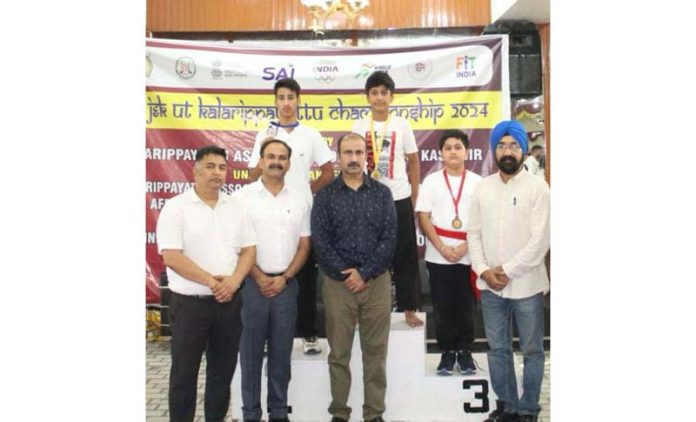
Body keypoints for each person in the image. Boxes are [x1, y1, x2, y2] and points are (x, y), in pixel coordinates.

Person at [156, 146, 256, 422]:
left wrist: (234, 282)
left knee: (221, 376)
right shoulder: (176, 208)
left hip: (229, 304)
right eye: (210, 166)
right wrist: (212, 281)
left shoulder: (236, 207)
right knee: (183, 377)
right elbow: (172, 256)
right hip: (190, 305)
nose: (217, 173)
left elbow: (249, 250)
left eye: (222, 167)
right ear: (196, 170)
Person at [467, 120, 550, 422]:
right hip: (491, 287)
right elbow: (473, 234)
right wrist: (484, 271)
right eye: (501, 145)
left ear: (523, 149)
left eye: (514, 145)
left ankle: (528, 409)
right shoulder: (482, 188)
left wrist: (507, 270)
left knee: (531, 351)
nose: (507, 151)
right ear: (494, 150)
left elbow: (540, 240)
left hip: (527, 284)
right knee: (498, 349)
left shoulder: (538, 188)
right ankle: (507, 406)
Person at [311, 132, 397, 422]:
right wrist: (347, 275)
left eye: (359, 153)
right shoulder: (324, 197)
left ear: (366, 156)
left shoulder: (383, 193)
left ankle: (374, 414)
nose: (354, 158)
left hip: (377, 283)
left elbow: (389, 239)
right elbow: (320, 242)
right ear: (338, 157)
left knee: (375, 354)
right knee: (339, 354)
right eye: (348, 153)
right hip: (338, 285)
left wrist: (365, 273)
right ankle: (339, 413)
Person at [248, 78, 334, 354]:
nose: (286, 103)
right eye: (281, 97)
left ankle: (309, 334)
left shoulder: (310, 134)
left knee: (306, 276)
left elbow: (329, 173)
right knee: (265, 268)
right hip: (267, 214)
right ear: (275, 102)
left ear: (299, 101)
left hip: (302, 215)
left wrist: (303, 192)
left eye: (291, 97)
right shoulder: (265, 133)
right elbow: (252, 174)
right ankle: (262, 337)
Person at [236, 139, 311, 422]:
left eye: (282, 157)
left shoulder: (299, 199)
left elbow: (305, 245)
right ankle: (250, 415)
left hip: (286, 287)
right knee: (251, 356)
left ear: (289, 163)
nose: (276, 161)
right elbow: (237, 245)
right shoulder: (242, 198)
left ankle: (279, 414)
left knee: (281, 357)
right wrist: (257, 275)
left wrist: (285, 277)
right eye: (270, 156)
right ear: (261, 160)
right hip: (251, 287)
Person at [350, 70, 423, 328]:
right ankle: (362, 305)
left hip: (399, 197)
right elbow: (353, 161)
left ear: (391, 96)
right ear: (367, 97)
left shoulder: (402, 125)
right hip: (368, 199)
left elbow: (413, 161)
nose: (379, 98)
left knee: (405, 254)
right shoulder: (359, 126)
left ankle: (409, 307)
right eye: (374, 93)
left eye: (384, 93)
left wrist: (414, 195)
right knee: (365, 253)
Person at [415, 129, 482, 376]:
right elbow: (423, 216)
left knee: (466, 305)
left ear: (466, 151)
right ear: (441, 153)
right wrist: (442, 247)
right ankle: (446, 353)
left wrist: (465, 246)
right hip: (437, 255)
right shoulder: (431, 181)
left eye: (458, 147)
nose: (453, 151)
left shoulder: (478, 182)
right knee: (442, 306)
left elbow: (483, 218)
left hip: (470, 253)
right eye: (448, 147)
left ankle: (464, 352)